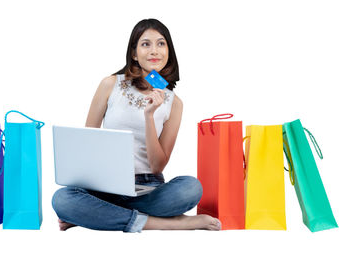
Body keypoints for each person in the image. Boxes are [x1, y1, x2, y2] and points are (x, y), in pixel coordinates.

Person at [52, 18, 221, 232]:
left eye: (161, 44)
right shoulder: (110, 84)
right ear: (134, 53)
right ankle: (164, 223)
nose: (154, 51)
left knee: (191, 188)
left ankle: (100, 215)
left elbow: (158, 165)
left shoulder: (174, 102)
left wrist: (149, 117)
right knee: (62, 199)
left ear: (169, 52)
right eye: (145, 44)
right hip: (105, 186)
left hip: (148, 190)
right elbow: (88, 142)